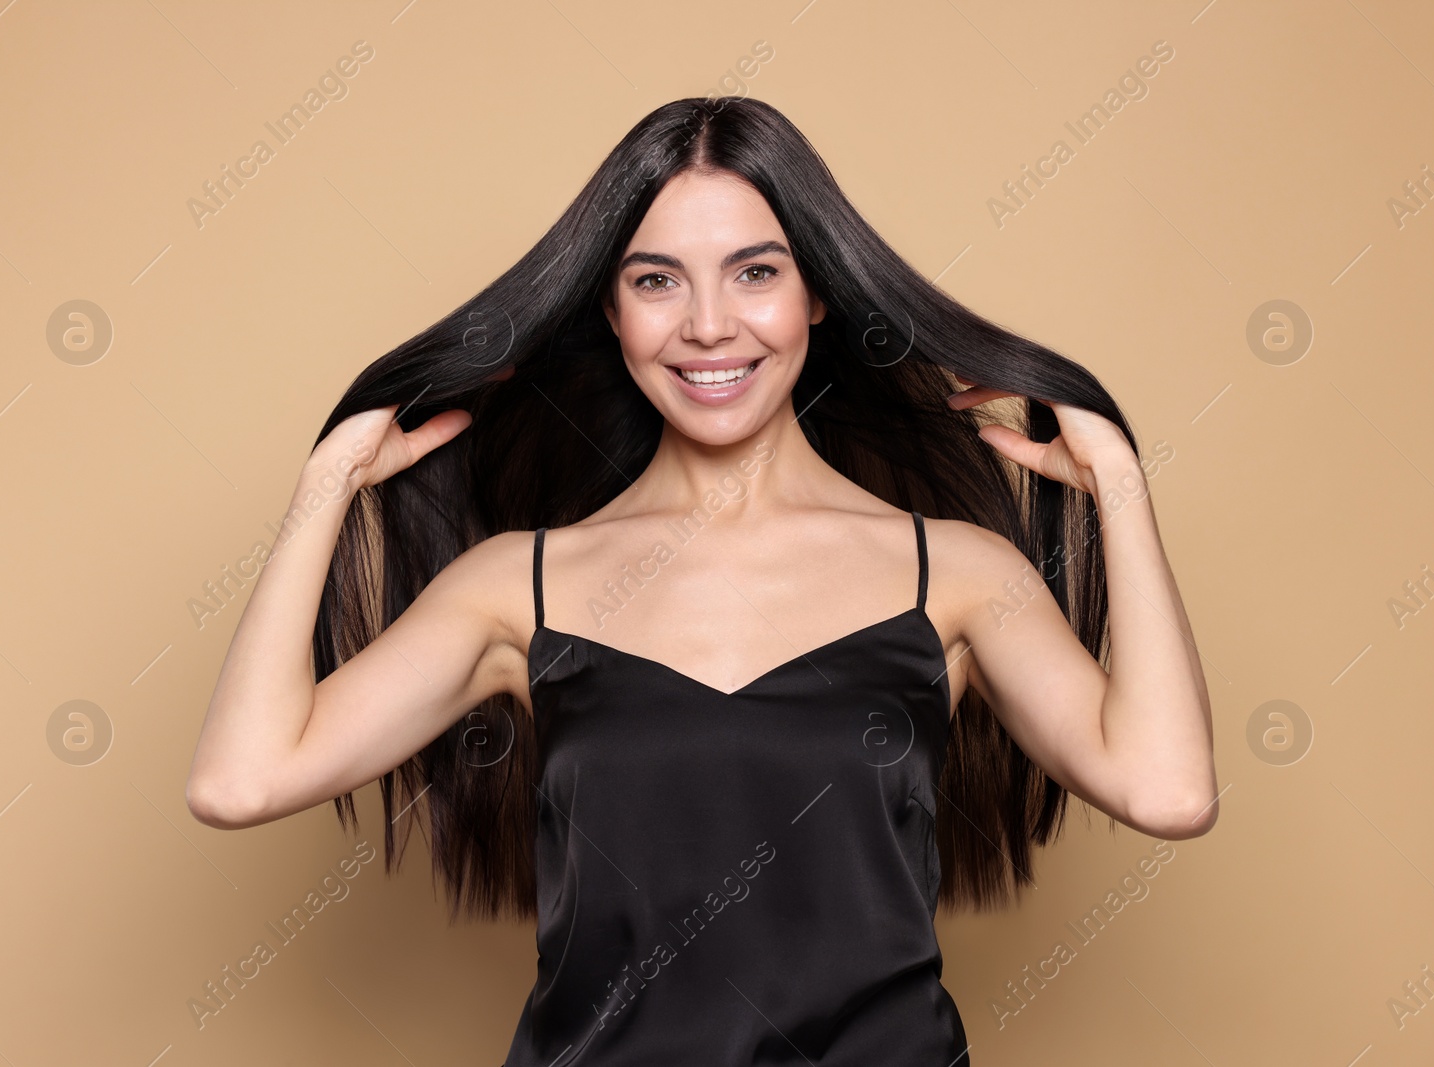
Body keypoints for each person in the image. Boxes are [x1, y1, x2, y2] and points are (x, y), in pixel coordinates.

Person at [185, 96, 1217, 1064]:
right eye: (656, 279)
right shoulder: (518, 586)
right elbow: (241, 779)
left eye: (755, 272)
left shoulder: (950, 573)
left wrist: (1118, 484)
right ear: (611, 307)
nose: (709, 325)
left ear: (817, 292)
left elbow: (1166, 788)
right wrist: (328, 482)